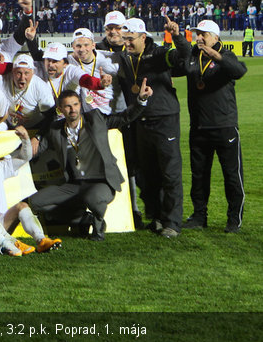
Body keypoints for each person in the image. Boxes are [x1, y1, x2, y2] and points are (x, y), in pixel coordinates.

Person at [30, 84, 153, 241]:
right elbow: (35, 151)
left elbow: (124, 118)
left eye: (75, 104)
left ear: (80, 105)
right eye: (67, 106)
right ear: (60, 109)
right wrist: (11, 153)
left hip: (101, 182)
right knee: (36, 203)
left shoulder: (95, 119)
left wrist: (141, 100)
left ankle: (99, 224)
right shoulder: (55, 130)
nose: (73, 109)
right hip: (74, 185)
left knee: (93, 198)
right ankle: (84, 219)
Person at [114, 16, 190, 238]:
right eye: (125, 39)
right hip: (140, 121)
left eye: (131, 39)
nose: (127, 43)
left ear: (143, 37)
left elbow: (183, 57)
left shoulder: (158, 53)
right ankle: (156, 217)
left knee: (170, 172)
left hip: (164, 119)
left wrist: (177, 36)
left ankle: (172, 223)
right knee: (147, 174)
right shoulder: (127, 57)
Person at [178, 20, 247, 233]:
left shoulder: (226, 56)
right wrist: (178, 36)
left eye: (204, 34)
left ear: (215, 38)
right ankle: (199, 215)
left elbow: (239, 71)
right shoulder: (192, 56)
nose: (199, 38)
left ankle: (234, 219)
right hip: (198, 126)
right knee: (199, 175)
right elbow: (179, 60)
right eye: (197, 34)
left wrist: (216, 56)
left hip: (224, 126)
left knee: (232, 176)